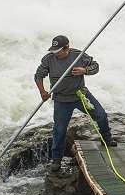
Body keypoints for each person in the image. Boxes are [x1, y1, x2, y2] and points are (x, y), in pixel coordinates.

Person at [35, 35, 116, 174]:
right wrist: (43, 92)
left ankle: (106, 138)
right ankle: (56, 159)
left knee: (101, 115)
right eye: (53, 51)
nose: (56, 54)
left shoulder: (78, 55)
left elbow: (95, 66)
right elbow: (38, 75)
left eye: (58, 51)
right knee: (59, 130)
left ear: (67, 48)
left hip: (80, 95)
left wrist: (84, 71)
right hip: (61, 99)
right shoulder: (49, 59)